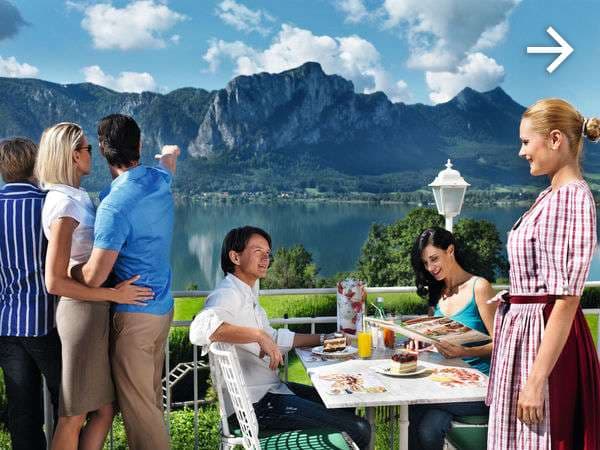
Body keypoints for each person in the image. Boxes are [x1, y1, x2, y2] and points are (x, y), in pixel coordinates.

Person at [189, 226, 371, 449]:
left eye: (268, 253)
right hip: (256, 406)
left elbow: (275, 337)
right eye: (258, 251)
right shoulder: (227, 294)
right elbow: (199, 328)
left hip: (269, 392)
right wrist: (257, 335)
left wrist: (325, 338)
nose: (266, 258)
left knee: (344, 402)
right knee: (359, 429)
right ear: (235, 256)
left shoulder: (246, 293)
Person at [486, 99, 600, 450]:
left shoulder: (571, 200)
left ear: (555, 139)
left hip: (544, 344)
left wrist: (535, 381)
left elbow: (566, 300)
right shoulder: (549, 196)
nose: (521, 152)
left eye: (525, 142)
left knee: (543, 437)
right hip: (526, 336)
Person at [35, 122, 154, 450]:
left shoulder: (73, 197)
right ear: (74, 156)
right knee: (73, 415)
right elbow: (54, 280)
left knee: (104, 409)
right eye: (88, 148)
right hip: (83, 315)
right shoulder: (65, 205)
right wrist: (113, 294)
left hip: (93, 312)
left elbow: (75, 261)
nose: (93, 153)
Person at [70, 114, 179, 450]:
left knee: (141, 414)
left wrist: (69, 266)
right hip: (162, 311)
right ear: (140, 146)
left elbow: (95, 276)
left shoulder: (114, 206)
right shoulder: (158, 178)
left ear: (102, 151)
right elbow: (172, 156)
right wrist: (166, 153)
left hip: (134, 316)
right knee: (149, 404)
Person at [407, 227, 496, 450]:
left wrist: (464, 352)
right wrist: (420, 340)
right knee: (428, 427)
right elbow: (432, 336)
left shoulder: (480, 287)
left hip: (480, 388)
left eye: (434, 259)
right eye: (426, 263)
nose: (431, 268)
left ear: (451, 250)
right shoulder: (437, 293)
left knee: (414, 404)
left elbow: (504, 344)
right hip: (446, 384)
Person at [0, 138, 61, 450]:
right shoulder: (49, 204)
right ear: (37, 165)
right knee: (69, 405)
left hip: (7, 325)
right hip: (48, 322)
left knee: (22, 411)